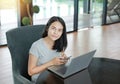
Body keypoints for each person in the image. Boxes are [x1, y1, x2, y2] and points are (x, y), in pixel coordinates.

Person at [28, 16, 68, 83]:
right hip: (40, 79)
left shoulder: (59, 43)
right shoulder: (36, 46)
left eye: (59, 30)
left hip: (55, 76)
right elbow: (30, 72)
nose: (56, 32)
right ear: (47, 28)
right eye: (53, 28)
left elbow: (60, 59)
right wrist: (51, 63)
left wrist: (64, 60)